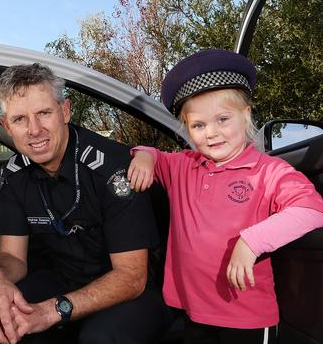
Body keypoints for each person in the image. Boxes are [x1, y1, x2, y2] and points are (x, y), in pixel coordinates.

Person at [127, 49, 323, 344]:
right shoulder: (183, 165)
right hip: (193, 312)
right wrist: (143, 155)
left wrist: (251, 241)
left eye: (222, 119)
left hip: (247, 318)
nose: (211, 133)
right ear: (187, 130)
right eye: (198, 125)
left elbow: (312, 209)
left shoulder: (268, 171)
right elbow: (156, 155)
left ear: (246, 116)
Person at [0, 63, 170, 344]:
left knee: (100, 338)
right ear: (7, 126)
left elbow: (131, 277)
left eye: (44, 113)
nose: (34, 130)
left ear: (64, 111)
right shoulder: (14, 175)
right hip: (65, 280)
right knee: (8, 318)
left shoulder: (112, 170)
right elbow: (14, 258)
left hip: (130, 290)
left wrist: (53, 310)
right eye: (20, 119)